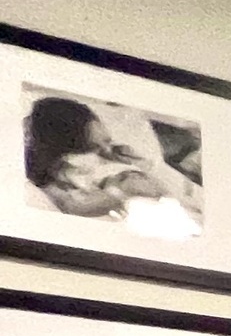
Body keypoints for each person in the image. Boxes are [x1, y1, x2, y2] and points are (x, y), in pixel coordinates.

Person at [22, 94, 205, 234]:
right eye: (94, 148)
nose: (109, 152)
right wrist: (119, 193)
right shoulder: (46, 196)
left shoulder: (123, 173)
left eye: (108, 142)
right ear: (62, 158)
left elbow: (205, 210)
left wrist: (151, 168)